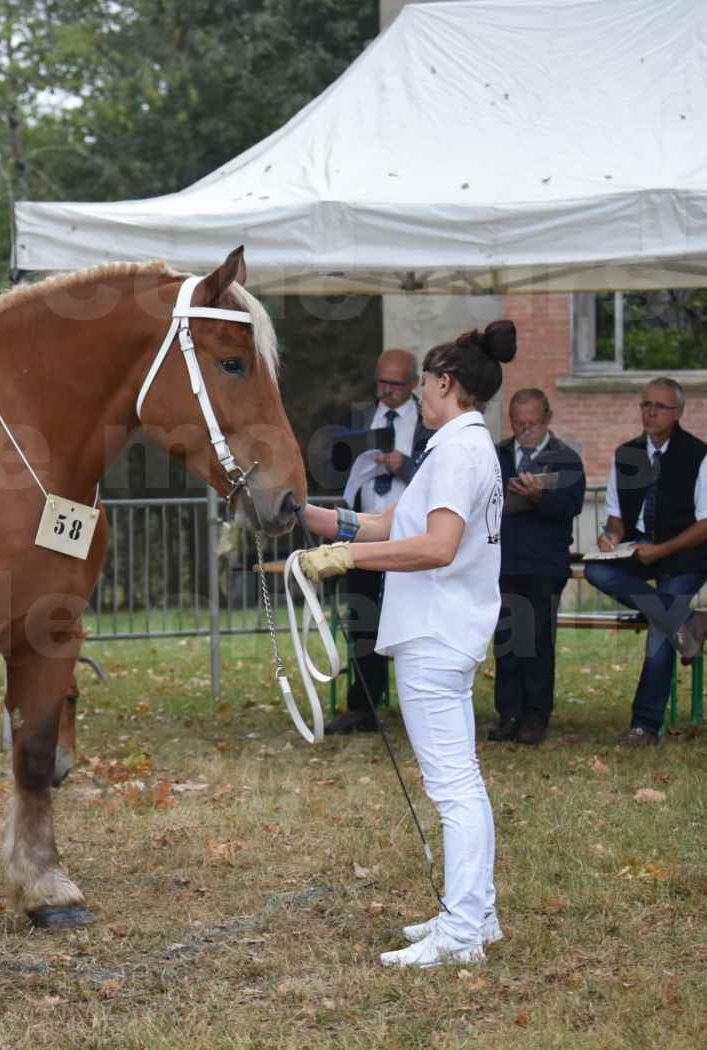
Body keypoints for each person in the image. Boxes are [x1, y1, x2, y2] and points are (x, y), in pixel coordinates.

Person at [300, 321, 516, 968]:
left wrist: (344, 558)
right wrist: (304, 516)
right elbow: (389, 522)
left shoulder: (455, 451)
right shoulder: (457, 445)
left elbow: (436, 545)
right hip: (442, 627)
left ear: (445, 382)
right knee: (458, 783)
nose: (419, 395)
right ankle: (474, 915)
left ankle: (461, 933)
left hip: (435, 628)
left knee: (453, 787)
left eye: (423, 383)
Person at [584, 378, 707, 748]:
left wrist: (662, 551)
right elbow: (616, 519)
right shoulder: (626, 455)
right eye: (645, 405)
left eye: (659, 406)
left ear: (678, 412)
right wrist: (610, 537)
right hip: (640, 552)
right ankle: (686, 619)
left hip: (687, 556)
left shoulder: (701, 456)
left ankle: (644, 726)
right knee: (596, 569)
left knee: (660, 628)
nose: (650, 412)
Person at [325, 348, 434, 734]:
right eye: (381, 382)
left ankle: (419, 703)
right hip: (366, 532)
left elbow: (443, 473)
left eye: (395, 384)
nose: (386, 391)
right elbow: (332, 464)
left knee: (413, 622)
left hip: (414, 535)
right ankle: (364, 705)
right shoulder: (359, 416)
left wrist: (405, 466)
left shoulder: (430, 420)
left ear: (414, 383)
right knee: (364, 617)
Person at [489, 389, 586, 746]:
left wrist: (539, 497)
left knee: (537, 640)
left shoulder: (565, 459)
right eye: (519, 423)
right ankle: (508, 713)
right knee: (507, 639)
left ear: (547, 418)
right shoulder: (496, 455)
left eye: (532, 423)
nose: (526, 429)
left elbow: (570, 505)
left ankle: (535, 716)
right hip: (503, 563)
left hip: (544, 565)